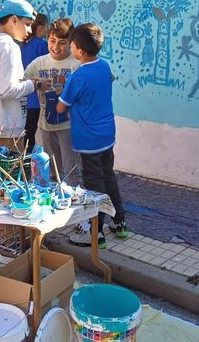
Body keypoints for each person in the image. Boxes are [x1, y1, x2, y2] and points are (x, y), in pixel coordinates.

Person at [57, 23, 127, 249]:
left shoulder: (77, 77)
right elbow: (107, 82)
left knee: (94, 187)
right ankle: (120, 223)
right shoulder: (105, 67)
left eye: (71, 45)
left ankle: (95, 232)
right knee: (108, 177)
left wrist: (62, 92)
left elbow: (60, 107)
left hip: (87, 141)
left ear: (79, 50)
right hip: (107, 135)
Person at [0, 0, 41, 146]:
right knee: (10, 168)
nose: (30, 30)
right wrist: (33, 84)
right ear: (14, 20)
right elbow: (7, 90)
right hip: (8, 126)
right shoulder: (9, 46)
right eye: (27, 24)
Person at [24, 18, 80, 184]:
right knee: (50, 166)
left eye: (62, 43)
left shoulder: (76, 64)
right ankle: (55, 197)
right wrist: (36, 83)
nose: (56, 47)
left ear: (71, 43)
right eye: (52, 41)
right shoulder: (39, 63)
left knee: (71, 168)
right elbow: (21, 81)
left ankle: (75, 201)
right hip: (45, 125)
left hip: (69, 126)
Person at [20, 13, 49, 153]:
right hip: (37, 97)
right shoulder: (42, 46)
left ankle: (25, 159)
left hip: (25, 95)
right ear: (41, 28)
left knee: (28, 131)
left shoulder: (23, 45)